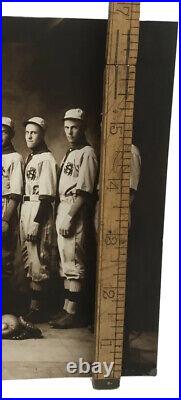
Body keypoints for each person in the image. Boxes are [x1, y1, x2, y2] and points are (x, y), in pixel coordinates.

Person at [50, 108, 98, 329]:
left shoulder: (87, 152)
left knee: (74, 262)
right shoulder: (71, 151)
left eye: (74, 127)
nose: (69, 131)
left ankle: (74, 312)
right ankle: (66, 308)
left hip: (74, 209)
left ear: (83, 127)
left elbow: (85, 191)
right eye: (67, 127)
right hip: (63, 206)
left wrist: (69, 217)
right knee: (65, 261)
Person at [20, 117, 58, 323]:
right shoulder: (32, 157)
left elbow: (47, 196)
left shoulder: (46, 159)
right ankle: (33, 306)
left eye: (33, 133)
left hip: (38, 209)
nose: (29, 136)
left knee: (38, 260)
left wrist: (36, 222)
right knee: (28, 258)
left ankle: (38, 309)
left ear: (42, 134)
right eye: (27, 132)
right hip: (27, 206)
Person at [2, 117, 24, 313]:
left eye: (4, 132)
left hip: (5, 207)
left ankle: (6, 308)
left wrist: (6, 219)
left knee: (5, 259)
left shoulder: (15, 158)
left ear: (11, 135)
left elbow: (16, 194)